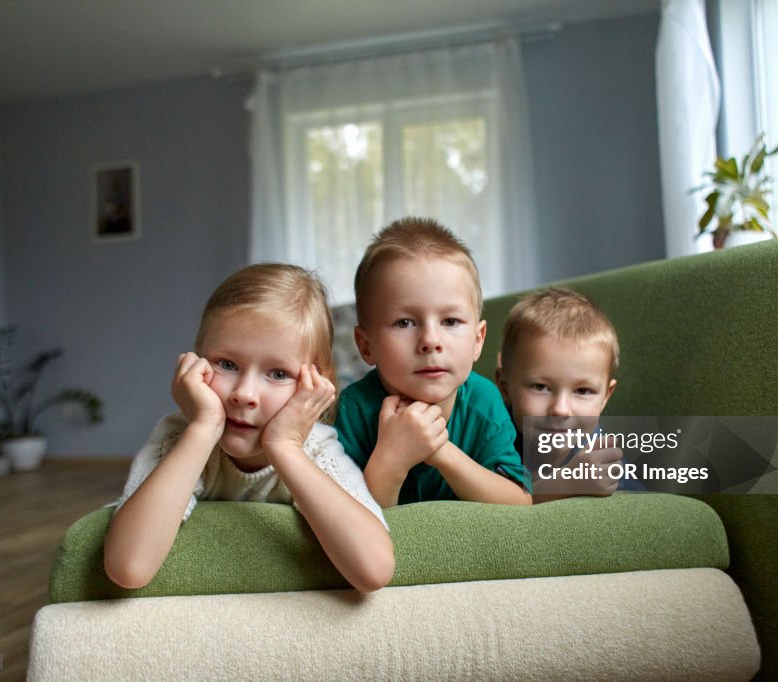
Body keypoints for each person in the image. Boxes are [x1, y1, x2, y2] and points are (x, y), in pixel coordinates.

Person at [103, 264, 394, 593]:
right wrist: (202, 429)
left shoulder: (316, 450)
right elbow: (128, 567)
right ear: (195, 364)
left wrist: (284, 447)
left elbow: (374, 571)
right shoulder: (179, 436)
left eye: (278, 374)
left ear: (316, 386)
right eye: (226, 364)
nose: (244, 393)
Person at [335, 217, 532, 508]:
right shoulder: (355, 408)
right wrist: (392, 459)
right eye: (404, 323)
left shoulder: (484, 401)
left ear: (478, 340)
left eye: (450, 321)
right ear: (367, 346)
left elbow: (519, 503)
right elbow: (350, 525)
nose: (430, 340)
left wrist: (440, 451)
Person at [496, 287, 643, 501]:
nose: (561, 409)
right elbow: (487, 504)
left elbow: (650, 513)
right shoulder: (493, 436)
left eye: (583, 391)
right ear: (505, 387)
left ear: (605, 397)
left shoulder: (599, 456)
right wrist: (566, 482)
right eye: (541, 387)